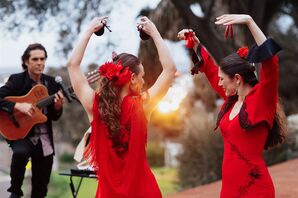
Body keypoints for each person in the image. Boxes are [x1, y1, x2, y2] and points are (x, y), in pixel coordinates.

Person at [67, 16, 176, 198]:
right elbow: (170, 69)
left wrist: (88, 31)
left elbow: (72, 65)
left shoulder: (94, 105)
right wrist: (154, 33)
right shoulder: (143, 104)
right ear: (132, 78)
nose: (143, 81)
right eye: (141, 76)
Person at [178, 14, 287, 197]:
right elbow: (211, 72)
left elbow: (271, 63)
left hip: (256, 189)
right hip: (229, 190)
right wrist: (195, 43)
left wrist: (249, 22)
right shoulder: (232, 101)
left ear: (237, 79)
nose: (219, 83)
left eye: (223, 79)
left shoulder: (262, 100)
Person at [0, 43, 64, 198]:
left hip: (44, 138)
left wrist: (58, 106)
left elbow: (55, 117)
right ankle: (15, 192)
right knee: (20, 153)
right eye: (35, 59)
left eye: (42, 59)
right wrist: (17, 106)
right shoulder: (17, 80)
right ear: (26, 62)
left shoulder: (52, 83)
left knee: (41, 187)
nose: (39, 62)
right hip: (22, 134)